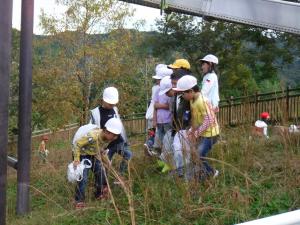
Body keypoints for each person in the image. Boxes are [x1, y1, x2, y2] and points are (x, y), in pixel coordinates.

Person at [173, 75, 220, 180]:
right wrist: (191, 130)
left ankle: (212, 173)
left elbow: (210, 119)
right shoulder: (192, 100)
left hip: (211, 134)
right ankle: (202, 172)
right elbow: (194, 118)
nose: (182, 96)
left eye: (183, 93)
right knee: (195, 154)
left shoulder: (202, 100)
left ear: (190, 91)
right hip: (203, 133)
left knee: (199, 154)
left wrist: (196, 133)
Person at [72, 118, 123, 209]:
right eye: (114, 135)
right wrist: (76, 159)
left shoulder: (107, 139)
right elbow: (77, 144)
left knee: (101, 172)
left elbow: (101, 149)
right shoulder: (93, 136)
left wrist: (108, 163)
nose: (115, 138)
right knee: (83, 178)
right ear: (107, 132)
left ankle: (99, 193)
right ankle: (79, 201)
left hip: (94, 155)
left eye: (116, 136)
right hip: (83, 155)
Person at [89, 87, 132, 175]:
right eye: (110, 103)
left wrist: (125, 141)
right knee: (104, 166)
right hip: (105, 145)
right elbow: (92, 131)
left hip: (118, 142)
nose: (112, 105)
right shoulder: (95, 113)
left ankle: (120, 176)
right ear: (103, 100)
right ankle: (103, 183)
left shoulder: (115, 110)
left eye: (114, 103)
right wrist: (98, 148)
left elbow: (119, 126)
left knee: (128, 154)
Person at [144, 64, 173, 156]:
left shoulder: (170, 92)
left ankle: (167, 157)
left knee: (167, 140)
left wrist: (159, 105)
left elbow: (170, 106)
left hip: (168, 121)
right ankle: (158, 155)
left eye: (158, 79)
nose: (157, 81)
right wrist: (155, 120)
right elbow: (154, 106)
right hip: (159, 121)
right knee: (158, 139)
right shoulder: (157, 91)